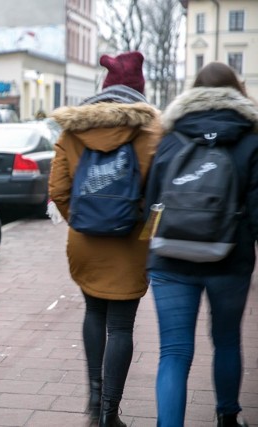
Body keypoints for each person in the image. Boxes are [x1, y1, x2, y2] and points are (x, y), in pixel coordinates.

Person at [48, 51, 162, 426]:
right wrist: (144, 235)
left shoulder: (73, 130)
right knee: (121, 326)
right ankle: (110, 414)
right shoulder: (153, 132)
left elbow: (59, 190)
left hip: (84, 243)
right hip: (131, 246)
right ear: (138, 90)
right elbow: (162, 200)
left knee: (94, 312)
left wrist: (83, 223)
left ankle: (94, 404)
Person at [144, 62, 258, 427]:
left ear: (192, 92)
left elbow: (151, 204)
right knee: (227, 341)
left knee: (174, 352)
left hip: (171, 260)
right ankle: (227, 417)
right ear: (238, 91)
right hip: (230, 259)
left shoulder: (170, 138)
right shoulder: (251, 139)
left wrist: (151, 246)